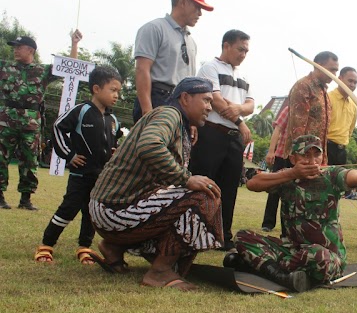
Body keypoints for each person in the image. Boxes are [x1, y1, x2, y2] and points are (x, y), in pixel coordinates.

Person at [226, 134, 357, 291]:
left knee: (317, 257)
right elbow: (253, 184)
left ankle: (266, 267)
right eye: (305, 155)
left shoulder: (332, 176)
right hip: (291, 251)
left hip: (326, 255)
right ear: (293, 159)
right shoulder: (286, 176)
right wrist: (292, 174)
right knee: (243, 236)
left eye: (316, 155)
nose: (311, 161)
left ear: (323, 159)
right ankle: (284, 274)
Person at [89, 77, 224, 291]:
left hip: (108, 210)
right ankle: (160, 272)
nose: (210, 107)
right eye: (206, 100)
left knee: (180, 198)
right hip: (114, 211)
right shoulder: (169, 114)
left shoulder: (177, 121)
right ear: (186, 98)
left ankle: (114, 247)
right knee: (203, 196)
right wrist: (187, 179)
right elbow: (150, 145)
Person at [34, 66, 123, 264]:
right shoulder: (81, 111)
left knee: (91, 213)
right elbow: (58, 127)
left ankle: (84, 247)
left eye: (118, 91)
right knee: (68, 209)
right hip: (80, 175)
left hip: (100, 177)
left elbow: (113, 142)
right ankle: (46, 245)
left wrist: (114, 153)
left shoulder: (113, 119)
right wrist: (69, 155)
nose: (117, 95)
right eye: (113, 90)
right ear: (96, 89)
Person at [0, 31, 82, 210]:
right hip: (5, 121)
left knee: (30, 160)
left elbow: (70, 67)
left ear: (30, 50)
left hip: (31, 123)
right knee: (1, 157)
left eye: (18, 47)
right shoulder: (4, 67)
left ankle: (25, 199)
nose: (15, 50)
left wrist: (74, 44)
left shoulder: (42, 71)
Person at [190, 29, 254, 250]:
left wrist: (237, 108)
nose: (243, 54)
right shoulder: (210, 67)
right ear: (226, 45)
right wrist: (241, 120)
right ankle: (196, 232)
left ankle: (222, 235)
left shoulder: (244, 76)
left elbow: (251, 105)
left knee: (229, 188)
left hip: (233, 139)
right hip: (212, 133)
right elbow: (217, 101)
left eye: (246, 50)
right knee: (205, 184)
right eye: (240, 49)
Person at [133, 0, 213, 122]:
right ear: (183, 2)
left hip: (182, 104)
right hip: (158, 98)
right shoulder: (155, 28)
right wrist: (147, 110)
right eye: (197, 7)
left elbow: (191, 83)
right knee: (154, 143)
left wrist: (191, 121)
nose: (200, 13)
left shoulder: (191, 41)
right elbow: (142, 69)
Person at [283, 51, 339, 165]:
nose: (334, 74)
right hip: (302, 158)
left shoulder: (323, 91)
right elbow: (297, 127)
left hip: (316, 157)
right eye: (331, 70)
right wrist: (301, 158)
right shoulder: (303, 86)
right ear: (318, 65)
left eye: (336, 71)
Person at [260, 105, 290, 233]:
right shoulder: (290, 109)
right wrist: (271, 151)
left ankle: (288, 225)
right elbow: (277, 129)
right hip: (282, 154)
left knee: (292, 193)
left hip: (298, 157)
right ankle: (268, 223)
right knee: (274, 190)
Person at [326, 66, 357, 166]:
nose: (352, 85)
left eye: (355, 82)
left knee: (338, 180)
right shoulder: (327, 98)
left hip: (342, 151)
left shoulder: (354, 106)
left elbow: (349, 131)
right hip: (325, 148)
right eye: (350, 81)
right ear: (339, 79)